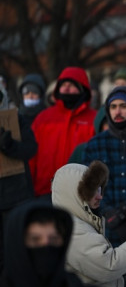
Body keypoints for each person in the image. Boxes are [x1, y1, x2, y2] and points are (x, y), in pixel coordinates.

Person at [82, 85, 126, 287]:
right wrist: (109, 213)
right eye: (113, 107)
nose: (118, 111)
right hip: (106, 233)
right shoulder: (95, 145)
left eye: (123, 106)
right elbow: (89, 186)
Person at [29, 66, 96, 198]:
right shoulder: (43, 118)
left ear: (83, 89)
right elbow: (31, 156)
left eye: (72, 85)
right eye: (63, 85)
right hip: (44, 191)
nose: (66, 88)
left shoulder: (94, 119)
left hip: (81, 193)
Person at [0, 85, 37, 273]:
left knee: (17, 255)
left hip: (16, 198)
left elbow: (31, 148)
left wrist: (9, 145)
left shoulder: (15, 118)